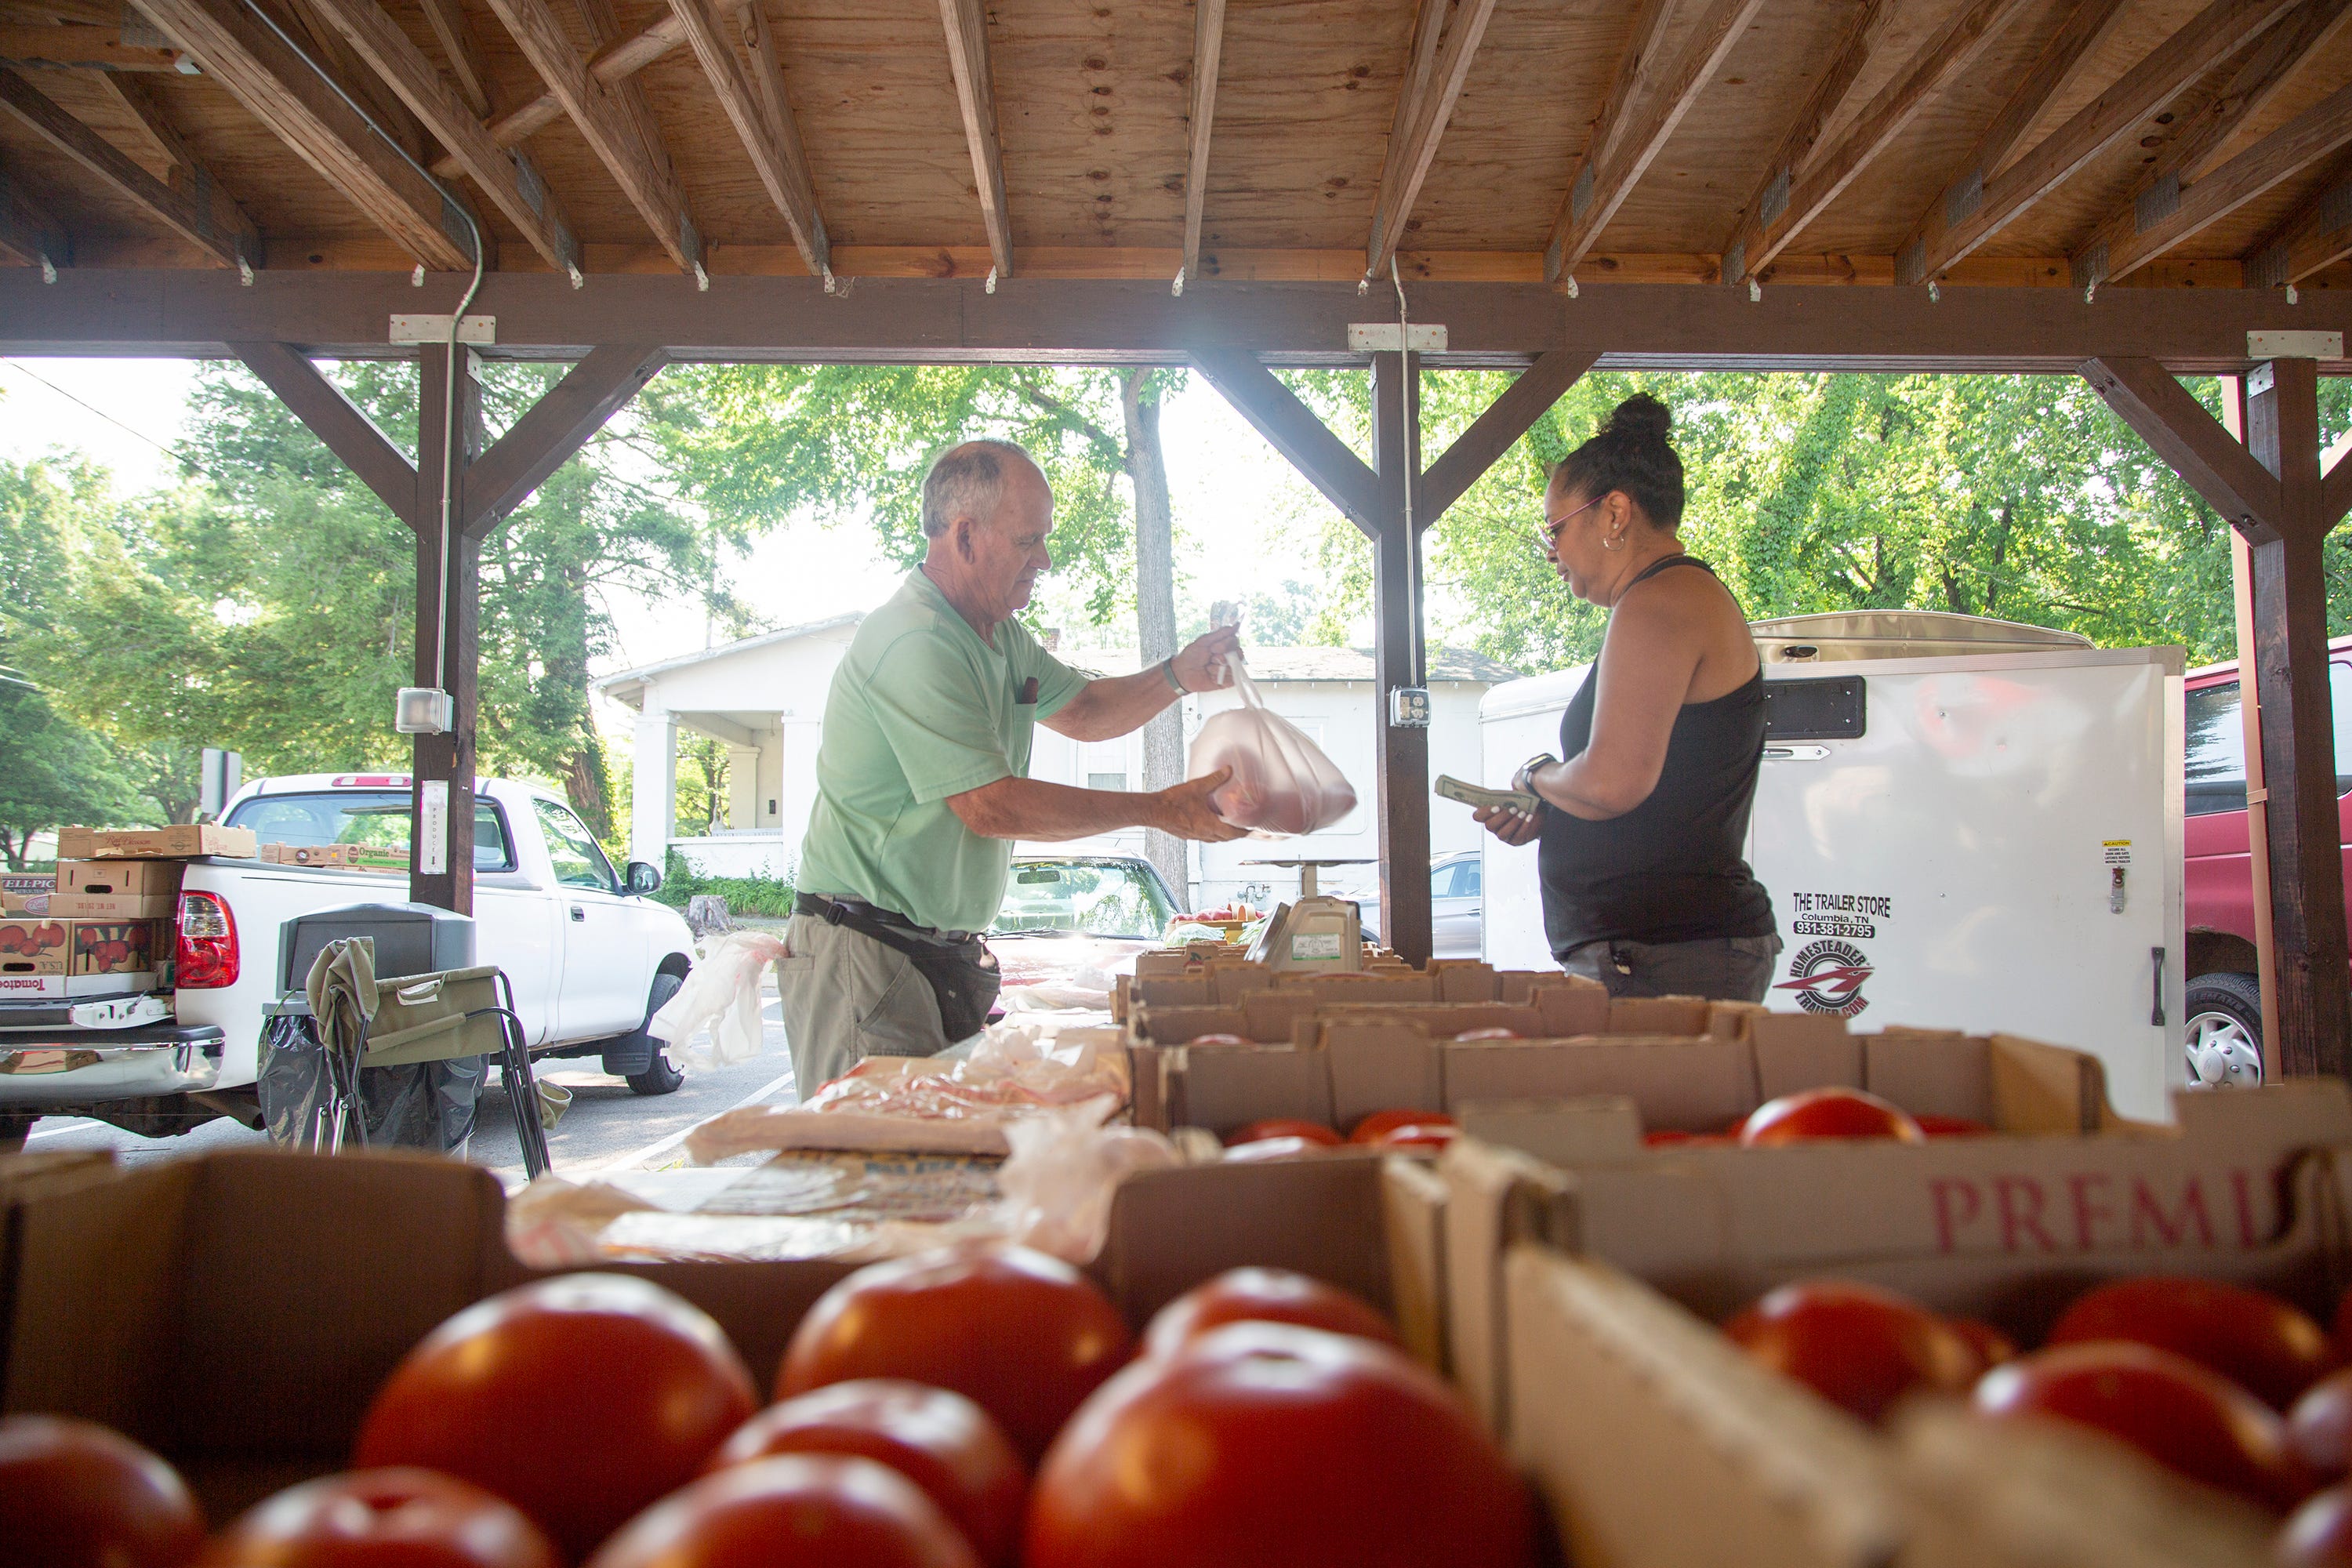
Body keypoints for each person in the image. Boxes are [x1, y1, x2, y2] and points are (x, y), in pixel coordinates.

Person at [781, 438, 1247, 1092]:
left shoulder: (1000, 634)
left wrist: (1178, 674)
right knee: (879, 1172)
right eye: (1030, 541)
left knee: (943, 1169)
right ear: (965, 536)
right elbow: (989, 806)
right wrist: (1159, 809)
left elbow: (1083, 709)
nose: (1046, 560)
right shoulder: (917, 640)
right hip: (866, 953)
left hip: (933, 957)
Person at [1473, 394, 1780, 1001]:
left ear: (1614, 513)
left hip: (1666, 954)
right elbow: (1651, 789)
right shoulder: (1664, 600)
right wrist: (1555, 811)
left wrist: (1539, 778)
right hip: (1659, 951)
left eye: (1554, 529)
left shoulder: (1659, 602)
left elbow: (1613, 783)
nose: (1552, 553)